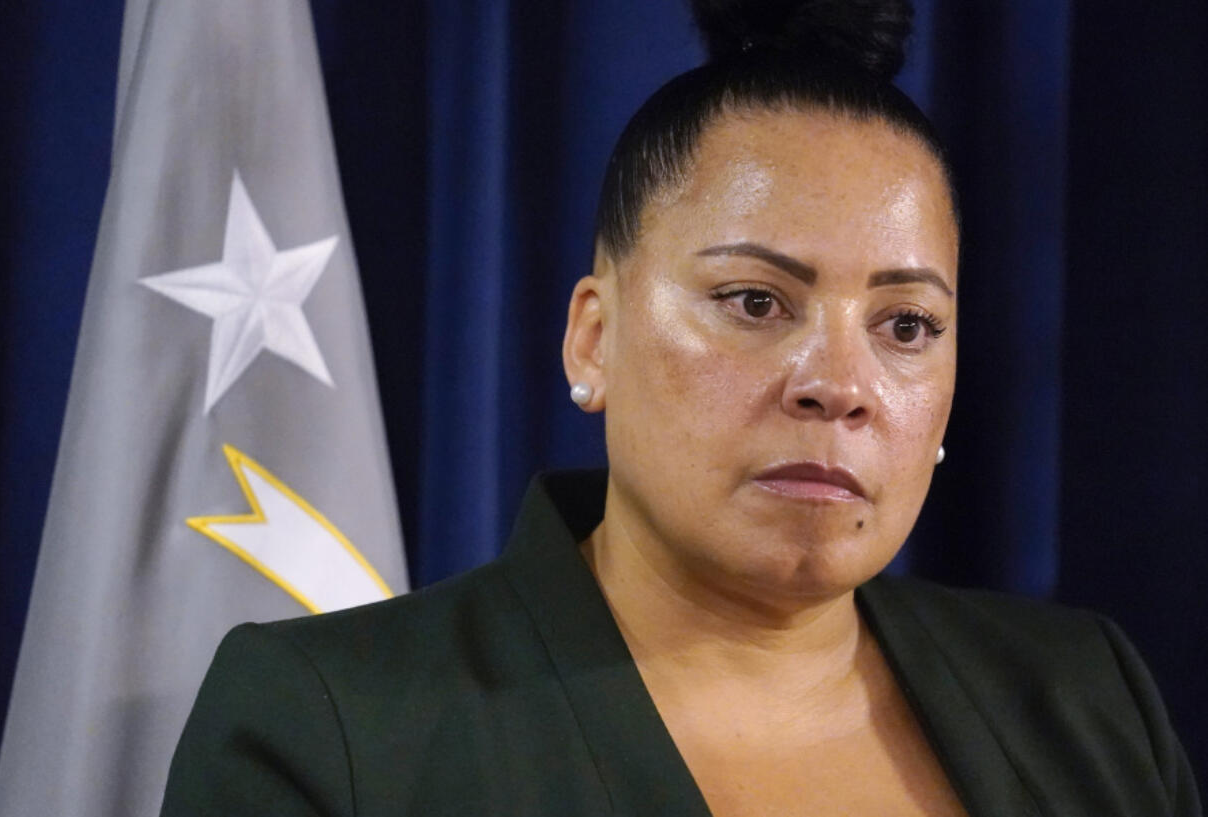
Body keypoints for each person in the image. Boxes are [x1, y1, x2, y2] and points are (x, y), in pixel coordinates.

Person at [160, 1, 1202, 814]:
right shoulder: (329, 725)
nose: (836, 384)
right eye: (754, 302)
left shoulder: (1083, 698)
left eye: (904, 325)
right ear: (592, 337)